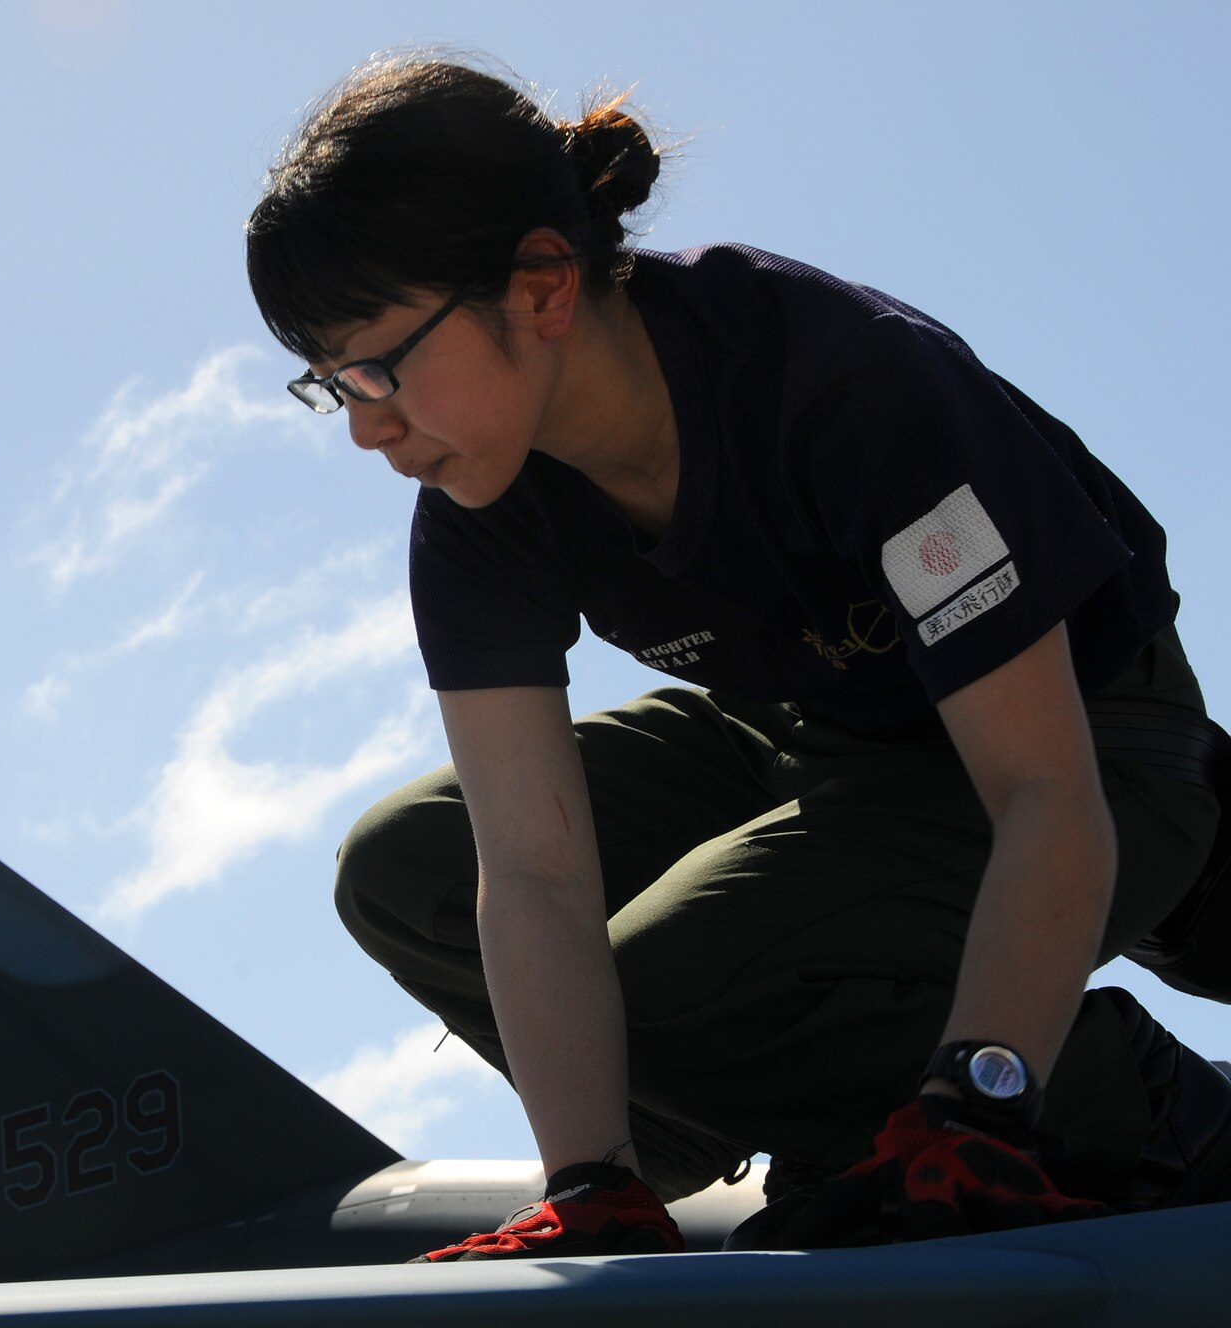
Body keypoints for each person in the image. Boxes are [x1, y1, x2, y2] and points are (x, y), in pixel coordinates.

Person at [243, 54, 1231, 1257]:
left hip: (1093, 748)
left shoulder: (842, 387)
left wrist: (980, 1104)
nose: (363, 425)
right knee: (405, 865)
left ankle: (1115, 1100)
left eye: (378, 364)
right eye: (326, 382)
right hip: (814, 735)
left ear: (542, 286)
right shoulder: (473, 505)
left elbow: (1042, 787)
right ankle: (732, 1124)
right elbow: (531, 869)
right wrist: (587, 1178)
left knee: (670, 982)